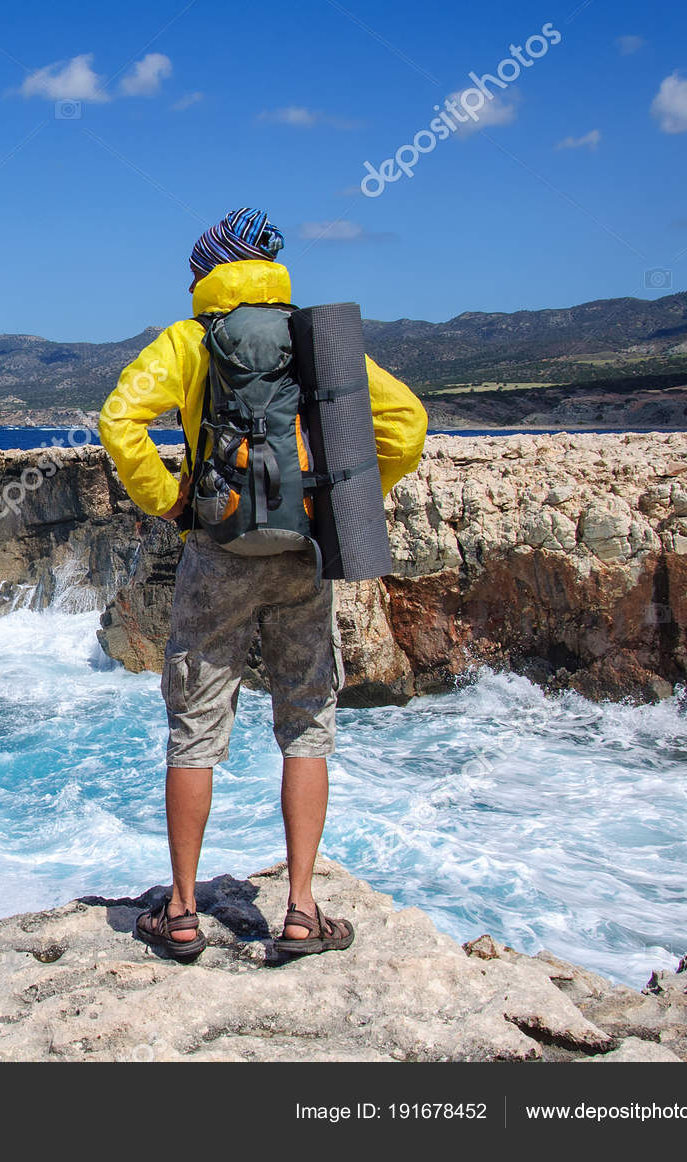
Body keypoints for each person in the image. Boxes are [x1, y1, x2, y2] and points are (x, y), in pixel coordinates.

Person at [98, 207, 427, 960]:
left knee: (195, 728)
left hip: (217, 549)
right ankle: (303, 912)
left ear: (209, 273)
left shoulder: (190, 339)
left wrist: (168, 498)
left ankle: (181, 912)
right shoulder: (317, 341)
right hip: (302, 549)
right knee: (306, 722)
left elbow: (120, 420)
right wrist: (340, 499)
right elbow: (406, 424)